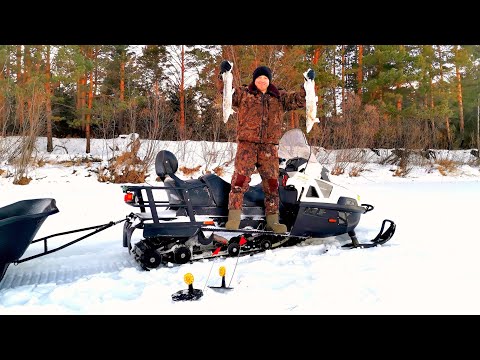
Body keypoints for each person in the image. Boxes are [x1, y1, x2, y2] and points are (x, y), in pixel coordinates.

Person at [218, 60, 315, 233]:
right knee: (239, 182)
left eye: (265, 78)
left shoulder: (279, 97)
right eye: (259, 77)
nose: (262, 80)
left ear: (269, 80)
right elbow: (226, 94)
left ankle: (273, 221)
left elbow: (299, 100)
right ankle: (233, 219)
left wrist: (308, 83)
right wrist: (224, 76)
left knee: (272, 185)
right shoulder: (244, 94)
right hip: (246, 146)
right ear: (254, 80)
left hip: (269, 149)